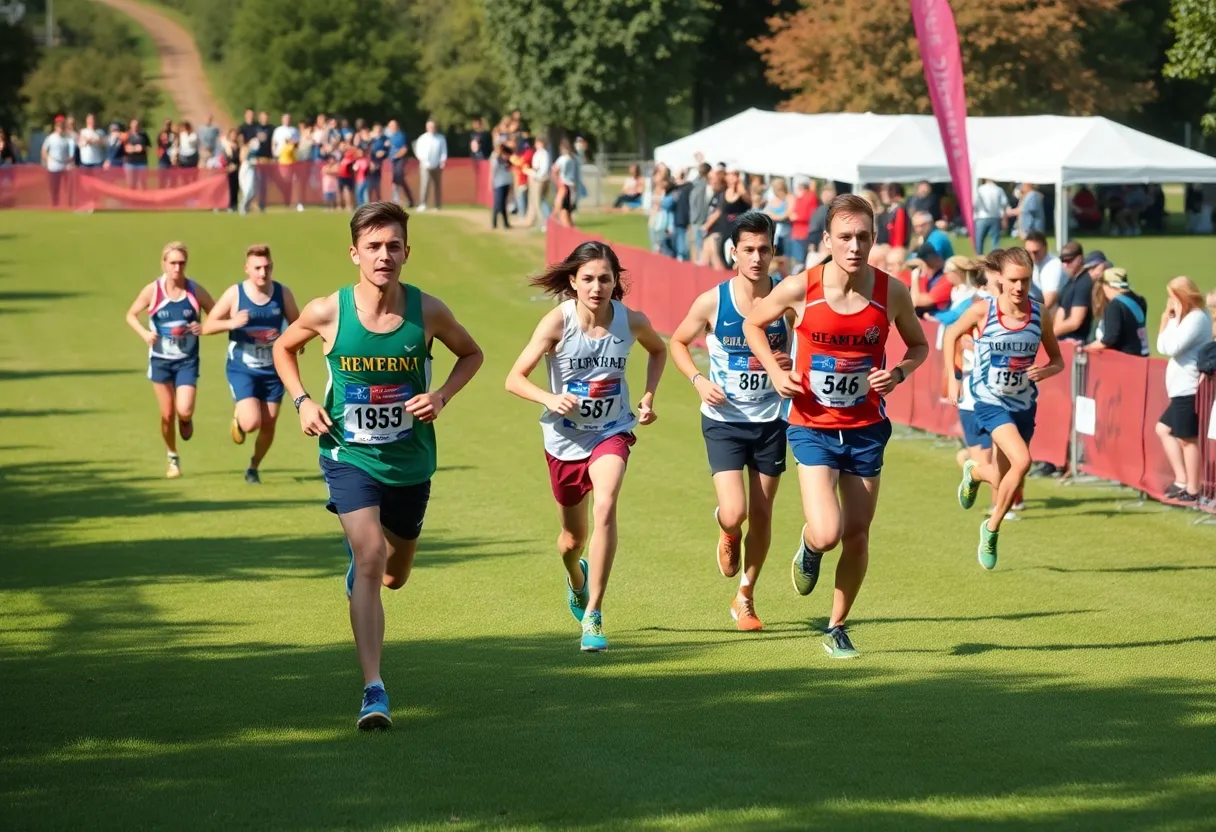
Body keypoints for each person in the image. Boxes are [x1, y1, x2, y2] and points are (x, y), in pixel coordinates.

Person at [272, 202, 484, 730]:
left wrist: (441, 397)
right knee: (369, 557)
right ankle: (374, 689)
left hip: (411, 460)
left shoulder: (426, 311)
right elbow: (283, 347)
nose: (384, 255)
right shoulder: (328, 311)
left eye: (393, 246)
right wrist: (302, 402)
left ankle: (365, 570)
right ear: (354, 253)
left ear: (407, 252)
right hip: (349, 453)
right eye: (373, 246)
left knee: (394, 574)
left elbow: (471, 354)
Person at [742, 194, 928, 658]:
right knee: (827, 532)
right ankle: (808, 547)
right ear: (827, 239)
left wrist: (899, 373)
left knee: (858, 533)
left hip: (866, 426)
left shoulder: (892, 292)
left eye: (863, 237)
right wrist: (776, 370)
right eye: (844, 237)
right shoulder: (802, 287)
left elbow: (919, 347)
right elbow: (752, 325)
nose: (854, 246)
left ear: (874, 239)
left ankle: (837, 625)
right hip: (812, 424)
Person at [504, 241, 667, 653]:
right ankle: (576, 578)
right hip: (564, 439)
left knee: (607, 503)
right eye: (589, 279)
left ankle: (594, 612)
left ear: (616, 282)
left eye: (606, 279)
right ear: (573, 281)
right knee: (570, 540)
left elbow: (659, 349)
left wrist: (648, 397)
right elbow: (514, 378)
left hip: (611, 431)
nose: (597, 287)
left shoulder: (630, 322)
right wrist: (548, 398)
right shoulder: (557, 323)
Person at [669, 212, 790, 630]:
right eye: (749, 250)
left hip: (772, 418)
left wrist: (793, 364)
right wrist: (698, 380)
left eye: (764, 249)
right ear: (733, 253)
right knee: (736, 511)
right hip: (724, 418)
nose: (757, 258)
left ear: (774, 252)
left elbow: (811, 344)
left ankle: (745, 596)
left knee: (763, 511)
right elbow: (678, 342)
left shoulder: (788, 300)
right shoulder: (713, 301)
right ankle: (727, 529)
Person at [946, 247, 1065, 570]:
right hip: (988, 400)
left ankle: (974, 472)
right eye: (1013, 280)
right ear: (1000, 278)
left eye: (1025, 280)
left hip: (1023, 404)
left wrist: (1046, 370)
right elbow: (950, 334)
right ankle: (992, 527)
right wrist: (953, 378)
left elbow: (1058, 360)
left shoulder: (1040, 315)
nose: (1019, 287)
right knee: (1023, 461)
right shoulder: (983, 311)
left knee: (1000, 473)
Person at [201, 244, 301, 483]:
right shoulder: (235, 294)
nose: (262, 273)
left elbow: (298, 324)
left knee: (269, 423)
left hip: (274, 369)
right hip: (242, 368)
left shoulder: (282, 293)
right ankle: (240, 419)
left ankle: (254, 466)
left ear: (272, 267)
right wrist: (231, 323)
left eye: (266, 267)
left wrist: (298, 342)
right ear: (247, 269)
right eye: (257, 268)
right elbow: (207, 326)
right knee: (251, 422)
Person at [124, 243, 215, 478]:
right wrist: (145, 334)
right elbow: (130, 314)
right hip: (161, 360)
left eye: (181, 263)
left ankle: (186, 420)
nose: (177, 268)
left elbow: (216, 314)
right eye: (172, 263)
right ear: (164, 264)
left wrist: (203, 326)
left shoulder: (194, 291)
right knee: (166, 414)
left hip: (186, 360)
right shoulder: (153, 291)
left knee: (183, 409)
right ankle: (172, 456)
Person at [1155, 277, 1213, 504]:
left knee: (1187, 439)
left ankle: (1192, 488)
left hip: (1188, 388)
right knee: (1163, 429)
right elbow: (1166, 346)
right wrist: (1170, 319)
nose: (1169, 301)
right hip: (1179, 388)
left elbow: (1169, 347)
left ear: (1182, 296)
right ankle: (1181, 480)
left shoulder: (1197, 318)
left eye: (1172, 296)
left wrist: (1168, 320)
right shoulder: (1188, 318)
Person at [1083, 268, 1149, 357]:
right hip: (1141, 356)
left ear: (1107, 285)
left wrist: (1085, 349)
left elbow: (1109, 339)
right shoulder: (1140, 300)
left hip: (1123, 359)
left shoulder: (1115, 306)